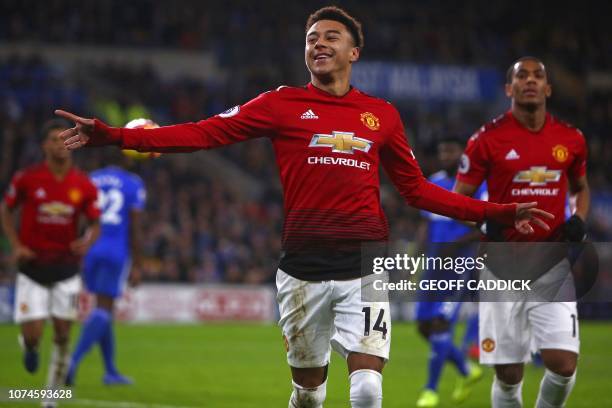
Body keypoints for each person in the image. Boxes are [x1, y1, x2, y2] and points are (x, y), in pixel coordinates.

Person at [54, 7, 553, 408]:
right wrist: (113, 136)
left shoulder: (381, 115)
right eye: (312, 37)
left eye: (330, 36)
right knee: (310, 393)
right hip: (302, 269)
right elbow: (204, 132)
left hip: (366, 265)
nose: (318, 43)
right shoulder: (280, 103)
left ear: (353, 51)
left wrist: (500, 212)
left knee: (366, 389)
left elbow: (417, 191)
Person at [454, 56, 589, 408]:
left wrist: (580, 217)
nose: (530, 80)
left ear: (548, 88)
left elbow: (580, 188)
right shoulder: (487, 139)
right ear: (508, 89)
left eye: (537, 75)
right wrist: (486, 221)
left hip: (551, 266)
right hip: (500, 268)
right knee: (509, 375)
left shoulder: (571, 139)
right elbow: (459, 200)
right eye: (521, 76)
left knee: (563, 366)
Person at [0, 119, 100, 404]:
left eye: (65, 139)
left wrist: (88, 241)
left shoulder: (83, 183)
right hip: (32, 268)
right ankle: (29, 347)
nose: (61, 144)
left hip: (67, 269)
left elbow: (96, 222)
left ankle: (50, 398)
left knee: (62, 333)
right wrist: (17, 245)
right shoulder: (27, 179)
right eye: (55, 139)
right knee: (33, 336)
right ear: (45, 145)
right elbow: (6, 211)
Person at [65, 118, 152, 386]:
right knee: (103, 309)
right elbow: (135, 229)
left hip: (91, 248)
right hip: (115, 249)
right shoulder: (133, 183)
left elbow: (78, 217)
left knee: (103, 309)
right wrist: (138, 264)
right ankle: (71, 361)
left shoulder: (92, 179)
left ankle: (110, 371)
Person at [414, 137, 486, 407]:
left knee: (441, 323)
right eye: (442, 149)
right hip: (433, 266)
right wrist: (416, 255)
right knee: (423, 326)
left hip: (459, 266)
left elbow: (484, 226)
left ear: (462, 153)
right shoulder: (432, 181)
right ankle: (467, 371)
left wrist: (455, 247)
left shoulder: (476, 185)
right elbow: (426, 223)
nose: (445, 154)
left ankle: (430, 390)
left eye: (450, 150)